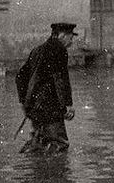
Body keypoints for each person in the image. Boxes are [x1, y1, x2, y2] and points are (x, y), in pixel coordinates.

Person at [16, 22, 77, 153]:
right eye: (70, 37)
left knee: (38, 143)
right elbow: (60, 79)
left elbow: (20, 77)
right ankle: (56, 171)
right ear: (61, 36)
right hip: (50, 106)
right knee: (59, 145)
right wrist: (67, 104)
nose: (71, 42)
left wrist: (23, 102)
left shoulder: (37, 50)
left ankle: (35, 169)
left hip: (33, 107)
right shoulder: (59, 50)